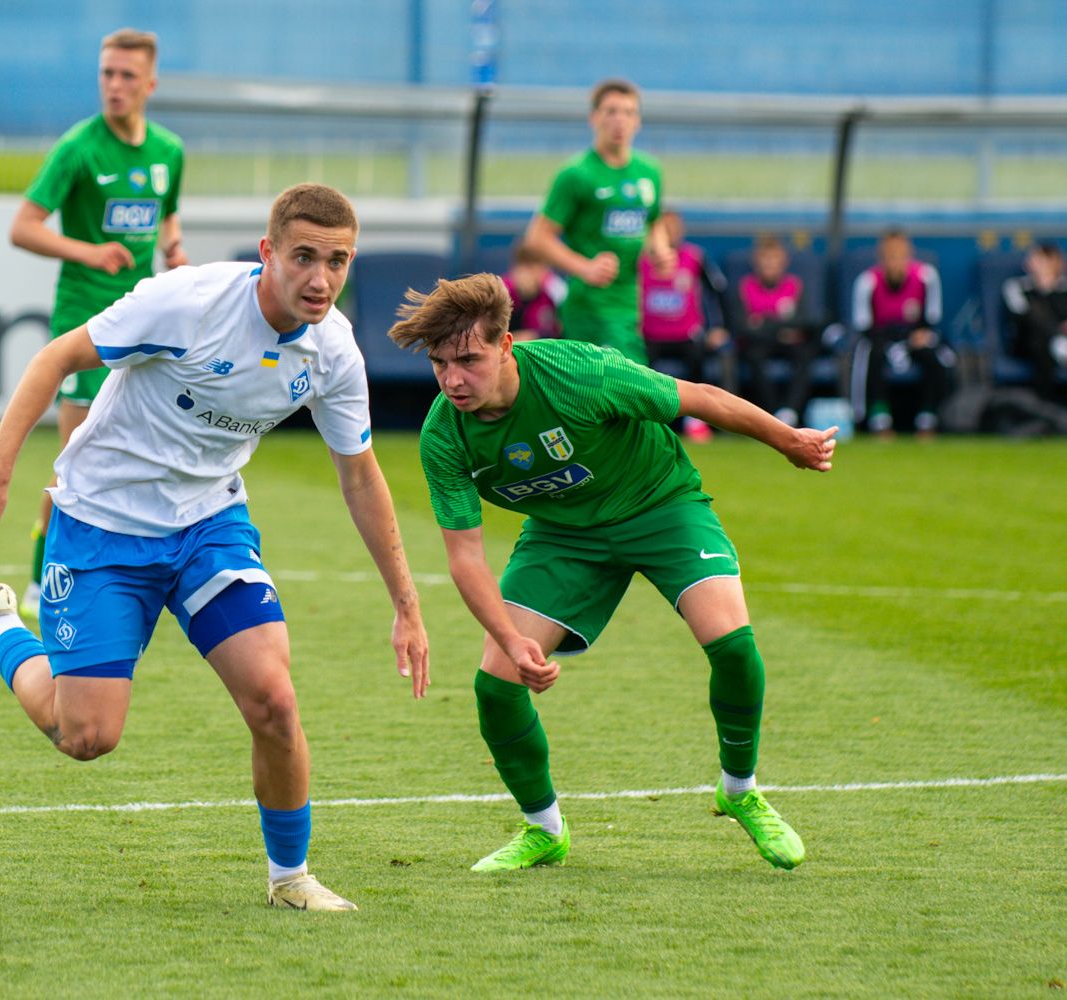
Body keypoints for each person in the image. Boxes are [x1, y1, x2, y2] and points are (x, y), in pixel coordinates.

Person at [0, 184, 429, 911]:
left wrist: (407, 604)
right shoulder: (186, 302)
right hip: (102, 522)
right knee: (85, 736)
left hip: (208, 525)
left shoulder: (332, 350)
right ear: (267, 253)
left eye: (337, 261)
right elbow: (55, 359)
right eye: (303, 257)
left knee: (274, 700)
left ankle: (289, 878)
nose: (321, 278)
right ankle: (2, 627)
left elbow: (361, 476)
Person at [387, 272, 836, 874]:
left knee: (733, 644)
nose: (453, 380)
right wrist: (510, 639)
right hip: (563, 535)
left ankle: (740, 790)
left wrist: (789, 441)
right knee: (495, 686)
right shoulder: (444, 434)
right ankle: (544, 830)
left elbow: (701, 398)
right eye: (440, 364)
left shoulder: (578, 372)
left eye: (468, 360)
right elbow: (465, 557)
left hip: (661, 504)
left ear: (506, 345)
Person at [9, 28, 188, 619]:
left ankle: (135, 566)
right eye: (107, 74)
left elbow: (167, 215)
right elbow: (23, 227)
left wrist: (173, 248)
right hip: (84, 318)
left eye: (127, 75)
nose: (114, 85)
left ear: (150, 83)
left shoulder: (168, 150)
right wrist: (89, 251)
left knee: (142, 446)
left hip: (146, 318)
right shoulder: (78, 148)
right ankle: (41, 578)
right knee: (78, 455)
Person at [522, 78, 673, 365]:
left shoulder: (649, 171)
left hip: (630, 305)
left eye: (628, 112)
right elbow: (537, 238)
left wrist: (661, 251)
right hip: (589, 308)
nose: (620, 120)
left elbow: (653, 221)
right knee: (627, 384)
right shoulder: (576, 174)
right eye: (611, 111)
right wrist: (585, 267)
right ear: (594, 118)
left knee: (625, 386)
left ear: (638, 121)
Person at [638, 208, 732, 441]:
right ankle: (646, 421)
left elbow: (718, 291)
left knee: (698, 364)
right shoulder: (640, 260)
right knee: (639, 368)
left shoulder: (694, 257)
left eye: (674, 228)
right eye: (665, 228)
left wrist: (718, 327)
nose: (670, 234)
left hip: (686, 335)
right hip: (649, 335)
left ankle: (696, 420)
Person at [850, 229, 954, 436]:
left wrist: (920, 335)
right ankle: (879, 419)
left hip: (914, 336)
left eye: (899, 254)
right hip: (880, 338)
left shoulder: (926, 276)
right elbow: (863, 325)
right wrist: (891, 341)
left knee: (934, 354)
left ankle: (928, 418)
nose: (895, 259)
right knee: (871, 353)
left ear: (909, 254)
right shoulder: (867, 281)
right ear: (881, 257)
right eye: (890, 254)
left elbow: (932, 318)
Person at [732, 235, 820, 426]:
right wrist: (780, 327)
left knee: (805, 355)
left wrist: (763, 322)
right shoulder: (745, 287)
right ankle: (770, 414)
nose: (769, 264)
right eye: (765, 259)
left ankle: (789, 412)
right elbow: (742, 327)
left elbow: (805, 321)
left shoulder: (795, 285)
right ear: (756, 261)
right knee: (754, 356)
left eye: (774, 259)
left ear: (784, 261)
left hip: (789, 343)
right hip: (759, 344)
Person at [1001, 241, 1067, 402]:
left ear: (1052, 261)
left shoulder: (1064, 289)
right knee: (1040, 336)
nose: (1030, 262)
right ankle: (1044, 405)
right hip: (1026, 342)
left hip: (1061, 341)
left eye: (1037, 258)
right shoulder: (1015, 286)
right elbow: (1023, 315)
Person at [500, 241, 566, 341]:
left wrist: (535, 336)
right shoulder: (502, 290)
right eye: (526, 267)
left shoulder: (554, 290)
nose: (528, 275)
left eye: (537, 267)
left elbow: (560, 330)